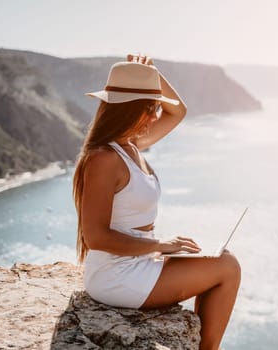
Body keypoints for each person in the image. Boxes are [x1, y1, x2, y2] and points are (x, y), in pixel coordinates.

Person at [72, 53, 241, 350]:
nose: (156, 115)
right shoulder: (104, 158)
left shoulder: (131, 145)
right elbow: (95, 237)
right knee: (227, 268)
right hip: (116, 276)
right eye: (150, 108)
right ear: (128, 109)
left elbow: (178, 112)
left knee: (223, 260)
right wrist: (160, 245)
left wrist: (151, 76)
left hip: (138, 264)